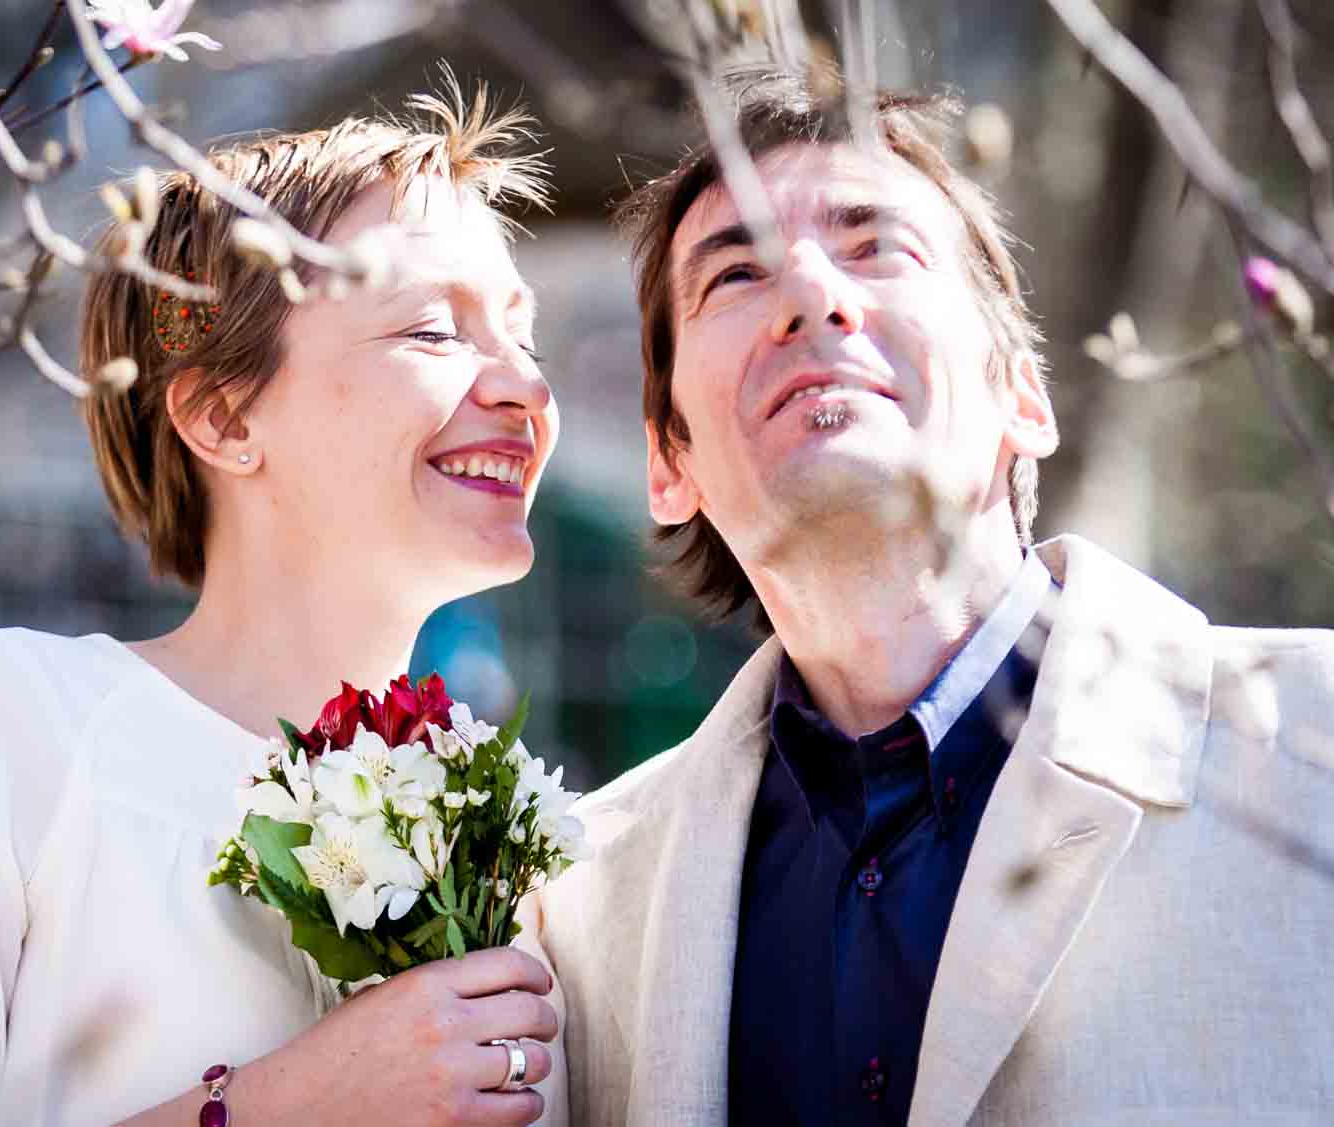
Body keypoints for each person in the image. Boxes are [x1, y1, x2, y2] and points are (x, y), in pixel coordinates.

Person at [0, 77, 566, 1127]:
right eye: (432, 330)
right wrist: (288, 1102)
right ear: (222, 414)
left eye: (523, 335)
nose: (524, 384)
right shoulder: (11, 724)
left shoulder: (544, 846)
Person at [523, 68, 1334, 1126]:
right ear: (667, 464)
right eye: (734, 277)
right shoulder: (574, 910)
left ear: (1023, 394)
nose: (812, 294)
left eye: (875, 246)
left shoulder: (1314, 746)